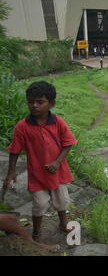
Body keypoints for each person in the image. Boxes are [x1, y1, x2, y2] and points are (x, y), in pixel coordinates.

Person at [3, 81, 78, 242]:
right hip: (37, 175)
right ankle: (36, 232)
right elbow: (15, 149)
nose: (34, 106)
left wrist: (57, 162)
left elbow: (68, 143)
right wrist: (11, 171)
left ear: (51, 104)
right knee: (39, 204)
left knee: (62, 202)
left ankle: (63, 224)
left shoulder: (58, 122)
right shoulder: (22, 126)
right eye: (31, 102)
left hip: (57, 172)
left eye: (40, 102)